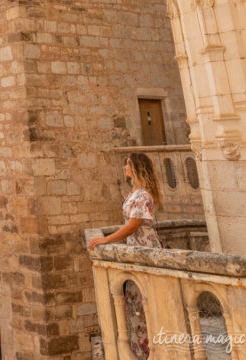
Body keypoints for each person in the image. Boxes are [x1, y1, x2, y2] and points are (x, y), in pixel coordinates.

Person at [88, 153, 163, 360]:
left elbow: (133, 225)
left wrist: (106, 240)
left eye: (128, 165)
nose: (124, 168)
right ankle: (140, 350)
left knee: (142, 302)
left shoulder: (143, 196)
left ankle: (148, 351)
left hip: (144, 248)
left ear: (136, 168)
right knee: (134, 304)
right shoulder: (135, 192)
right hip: (134, 249)